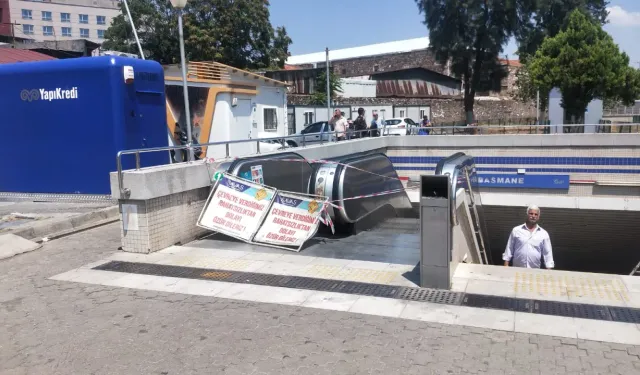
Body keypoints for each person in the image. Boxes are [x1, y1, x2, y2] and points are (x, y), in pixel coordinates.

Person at [503, 205, 554, 269]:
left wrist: (549, 270)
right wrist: (505, 265)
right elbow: (509, 248)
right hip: (517, 269)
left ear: (538, 217)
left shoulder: (543, 233)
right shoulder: (516, 230)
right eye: (531, 214)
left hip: (535, 270)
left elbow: (547, 253)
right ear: (527, 215)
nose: (533, 216)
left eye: (536, 214)